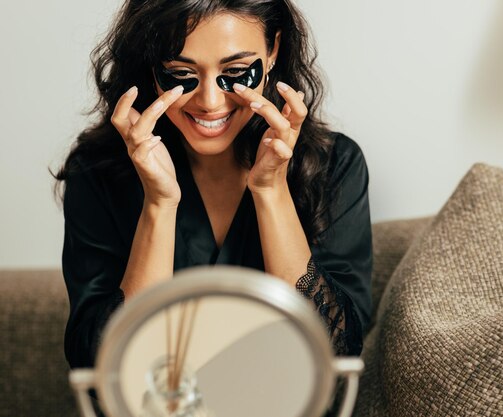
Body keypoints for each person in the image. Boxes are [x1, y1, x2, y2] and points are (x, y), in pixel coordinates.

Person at [54, 0, 372, 381]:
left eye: (236, 71)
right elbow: (105, 365)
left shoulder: (334, 164)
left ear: (273, 51)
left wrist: (271, 191)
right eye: (179, 72)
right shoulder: (97, 171)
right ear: (151, 66)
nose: (209, 101)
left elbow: (334, 351)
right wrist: (159, 204)